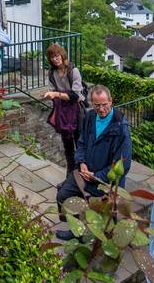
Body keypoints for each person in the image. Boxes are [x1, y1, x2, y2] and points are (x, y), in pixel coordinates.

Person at [54, 85, 131, 240]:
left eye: (104, 104)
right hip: (85, 171)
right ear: (92, 104)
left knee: (104, 212)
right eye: (97, 105)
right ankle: (78, 231)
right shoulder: (89, 117)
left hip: (106, 181)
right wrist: (81, 162)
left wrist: (96, 175)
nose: (101, 109)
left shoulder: (121, 127)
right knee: (63, 196)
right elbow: (81, 143)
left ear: (111, 101)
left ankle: (104, 238)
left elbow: (123, 163)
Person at [42, 43, 85, 173]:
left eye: (57, 55)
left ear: (62, 55)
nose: (55, 59)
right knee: (67, 146)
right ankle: (70, 175)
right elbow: (52, 91)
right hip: (63, 112)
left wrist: (56, 94)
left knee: (80, 143)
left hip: (77, 110)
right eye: (52, 57)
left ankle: (82, 174)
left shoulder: (73, 71)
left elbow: (74, 96)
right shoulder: (52, 73)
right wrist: (50, 95)